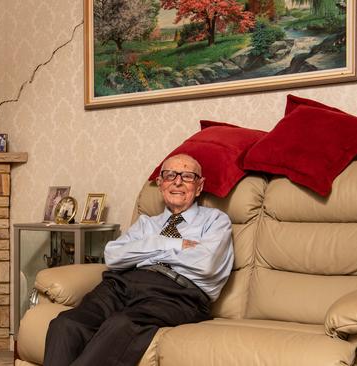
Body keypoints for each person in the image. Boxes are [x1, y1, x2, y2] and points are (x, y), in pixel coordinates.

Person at [43, 154, 234, 366]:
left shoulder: (215, 220)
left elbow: (205, 264)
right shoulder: (146, 224)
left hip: (177, 293)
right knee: (66, 323)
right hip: (121, 283)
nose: (177, 181)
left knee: (120, 325)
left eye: (187, 176)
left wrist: (142, 250)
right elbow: (114, 256)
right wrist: (170, 244)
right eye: (170, 175)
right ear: (161, 184)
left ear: (199, 186)